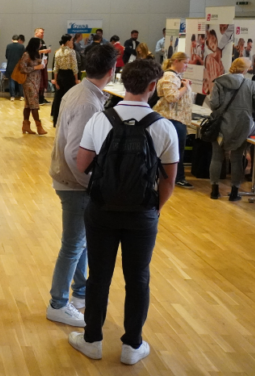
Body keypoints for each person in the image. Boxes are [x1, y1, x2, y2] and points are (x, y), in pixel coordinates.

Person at [70, 59, 178, 365]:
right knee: (138, 278)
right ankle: (132, 345)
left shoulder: (100, 120)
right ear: (152, 86)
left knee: (99, 276)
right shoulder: (163, 126)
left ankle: (92, 340)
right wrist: (154, 209)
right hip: (142, 214)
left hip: (102, 209)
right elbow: (168, 179)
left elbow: (81, 164)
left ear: (122, 81)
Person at [47, 44, 119, 327]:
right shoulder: (87, 101)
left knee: (82, 242)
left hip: (71, 180)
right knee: (73, 244)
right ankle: (58, 303)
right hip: (74, 184)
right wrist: (93, 186)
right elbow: (76, 153)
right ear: (112, 71)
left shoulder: (80, 92)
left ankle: (79, 292)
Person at [209, 58, 255, 200]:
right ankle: (234, 193)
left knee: (216, 157)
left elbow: (213, 104)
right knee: (236, 158)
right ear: (245, 69)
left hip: (221, 126)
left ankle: (214, 191)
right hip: (242, 127)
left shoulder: (219, 82)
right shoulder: (251, 85)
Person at [153, 52, 194, 189]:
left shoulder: (175, 76)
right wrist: (185, 87)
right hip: (171, 118)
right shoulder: (169, 76)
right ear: (176, 61)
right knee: (176, 150)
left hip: (177, 118)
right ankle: (177, 177)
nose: (186, 66)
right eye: (185, 63)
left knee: (176, 150)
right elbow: (171, 97)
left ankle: (174, 176)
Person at [18, 37, 47, 135]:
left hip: (36, 81)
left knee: (28, 105)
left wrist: (42, 64)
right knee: (34, 104)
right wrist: (36, 67)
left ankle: (26, 125)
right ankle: (39, 127)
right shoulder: (26, 54)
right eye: (39, 43)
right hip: (29, 82)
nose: (40, 45)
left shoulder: (36, 54)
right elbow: (22, 68)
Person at [51, 34, 80, 126]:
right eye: (71, 40)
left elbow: (55, 67)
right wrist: (76, 79)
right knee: (69, 99)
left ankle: (56, 120)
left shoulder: (58, 52)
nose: (72, 42)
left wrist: (55, 80)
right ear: (68, 41)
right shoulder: (71, 52)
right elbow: (74, 67)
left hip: (60, 76)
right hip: (69, 76)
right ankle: (68, 121)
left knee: (58, 98)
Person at [34, 28, 53, 105]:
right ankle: (37, 99)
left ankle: (42, 97)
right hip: (37, 65)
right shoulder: (34, 41)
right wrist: (43, 51)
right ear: (36, 33)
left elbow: (44, 52)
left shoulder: (42, 41)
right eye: (41, 33)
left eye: (43, 33)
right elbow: (32, 52)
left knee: (44, 81)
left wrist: (46, 55)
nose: (43, 34)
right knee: (39, 82)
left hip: (43, 64)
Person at [203, 29, 225, 95]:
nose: (212, 43)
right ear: (208, 46)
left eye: (213, 39)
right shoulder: (209, 58)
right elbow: (211, 79)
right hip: (212, 93)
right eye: (209, 42)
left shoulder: (221, 63)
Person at [5, 34, 26, 101]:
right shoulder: (22, 46)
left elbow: (7, 56)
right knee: (19, 81)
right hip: (19, 66)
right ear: (18, 40)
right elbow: (24, 57)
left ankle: (12, 96)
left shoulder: (8, 46)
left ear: (12, 39)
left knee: (12, 81)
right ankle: (21, 96)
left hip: (10, 66)